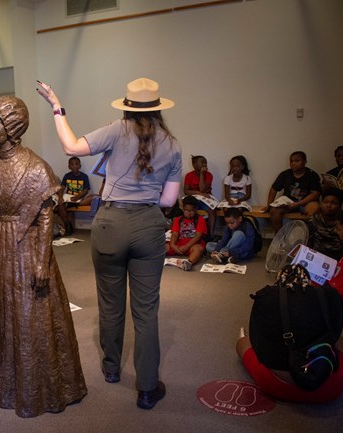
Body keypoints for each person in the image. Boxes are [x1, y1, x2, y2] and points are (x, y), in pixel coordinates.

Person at [37, 77, 181, 410]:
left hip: (110, 225)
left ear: (127, 107)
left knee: (111, 303)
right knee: (146, 312)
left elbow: (71, 147)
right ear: (158, 109)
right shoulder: (173, 144)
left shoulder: (116, 130)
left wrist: (57, 108)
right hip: (148, 225)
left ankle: (112, 368)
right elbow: (169, 200)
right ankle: (146, 389)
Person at [0, 96, 87, 417]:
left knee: (29, 319)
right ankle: (1, 382)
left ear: (10, 128)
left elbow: (45, 216)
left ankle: (36, 387)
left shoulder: (35, 166)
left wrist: (41, 260)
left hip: (26, 252)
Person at [237, 266, 343, 403]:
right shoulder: (330, 296)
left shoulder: (267, 297)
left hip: (278, 386)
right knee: (340, 341)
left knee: (242, 343)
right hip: (328, 389)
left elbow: (258, 340)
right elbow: (337, 335)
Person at [267, 151, 321, 232]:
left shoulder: (312, 175)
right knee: (274, 210)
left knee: (315, 208)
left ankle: (309, 237)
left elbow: (315, 194)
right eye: (291, 161)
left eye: (297, 161)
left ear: (305, 162)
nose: (293, 163)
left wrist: (299, 203)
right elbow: (273, 189)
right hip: (288, 202)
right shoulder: (285, 174)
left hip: (306, 202)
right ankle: (280, 237)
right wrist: (269, 205)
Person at [165, 195, 207, 271]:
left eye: (191, 211)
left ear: (196, 209)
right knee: (164, 246)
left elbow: (198, 236)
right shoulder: (178, 219)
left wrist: (187, 246)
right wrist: (173, 245)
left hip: (192, 244)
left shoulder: (200, 219)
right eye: (186, 210)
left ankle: (189, 262)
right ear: (183, 209)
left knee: (198, 249)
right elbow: (175, 234)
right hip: (180, 243)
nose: (188, 213)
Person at [55, 156, 91, 235]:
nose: (74, 166)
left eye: (76, 164)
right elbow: (62, 187)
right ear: (69, 166)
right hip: (68, 198)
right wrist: (60, 197)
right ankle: (68, 224)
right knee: (60, 205)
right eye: (72, 164)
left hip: (79, 198)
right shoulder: (67, 176)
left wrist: (77, 197)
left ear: (79, 166)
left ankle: (77, 204)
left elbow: (86, 190)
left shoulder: (84, 176)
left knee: (93, 197)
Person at [306, 187, 343, 261]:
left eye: (333, 203)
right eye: (325, 202)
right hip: (315, 257)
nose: (328, 205)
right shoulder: (314, 220)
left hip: (335, 260)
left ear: (340, 206)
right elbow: (308, 242)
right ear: (321, 204)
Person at [184, 155, 216, 237]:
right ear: (194, 165)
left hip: (206, 200)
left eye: (205, 162)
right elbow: (186, 191)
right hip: (194, 200)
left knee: (212, 209)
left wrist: (202, 174)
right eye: (202, 162)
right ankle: (190, 231)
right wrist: (199, 193)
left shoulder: (209, 175)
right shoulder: (189, 175)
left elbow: (203, 189)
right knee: (189, 208)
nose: (205, 164)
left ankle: (211, 234)